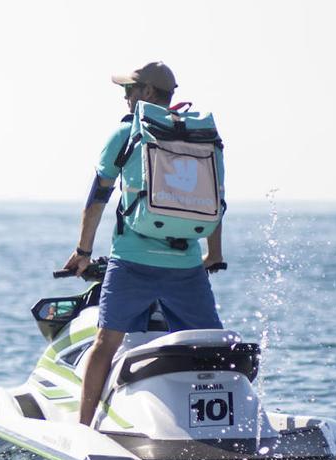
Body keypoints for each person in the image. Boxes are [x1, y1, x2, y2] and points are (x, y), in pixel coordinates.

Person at [61, 61, 226, 427]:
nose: (125, 96)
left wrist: (83, 253)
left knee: (105, 343)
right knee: (214, 348)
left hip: (132, 263)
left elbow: (97, 199)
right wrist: (213, 254)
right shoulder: (203, 137)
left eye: (130, 90)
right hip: (185, 266)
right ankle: (223, 424)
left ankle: (83, 429)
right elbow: (216, 201)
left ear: (148, 94)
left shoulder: (125, 135)